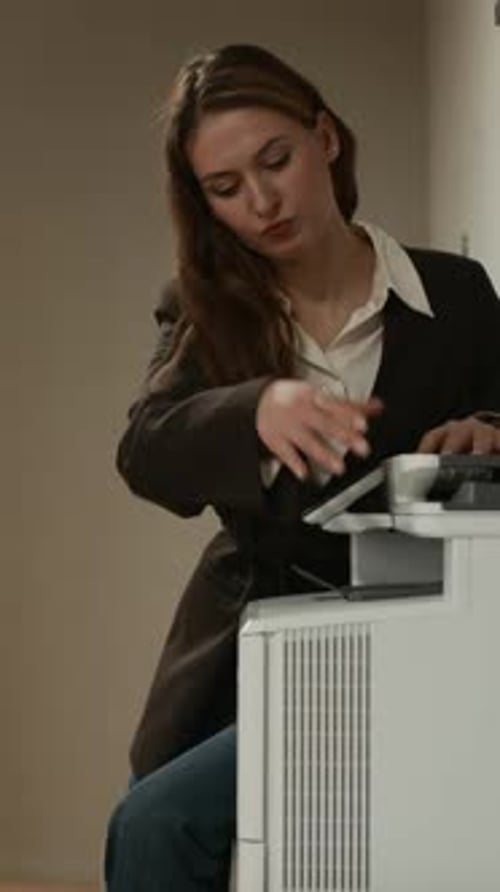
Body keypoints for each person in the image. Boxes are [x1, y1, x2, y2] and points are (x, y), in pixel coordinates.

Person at [105, 43, 500, 892]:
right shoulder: (206, 309)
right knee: (154, 822)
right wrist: (253, 408)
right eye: (225, 188)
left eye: (275, 161)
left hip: (421, 647)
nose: (261, 201)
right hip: (253, 645)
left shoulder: (458, 292)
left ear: (324, 136)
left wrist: (487, 429)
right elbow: (144, 449)